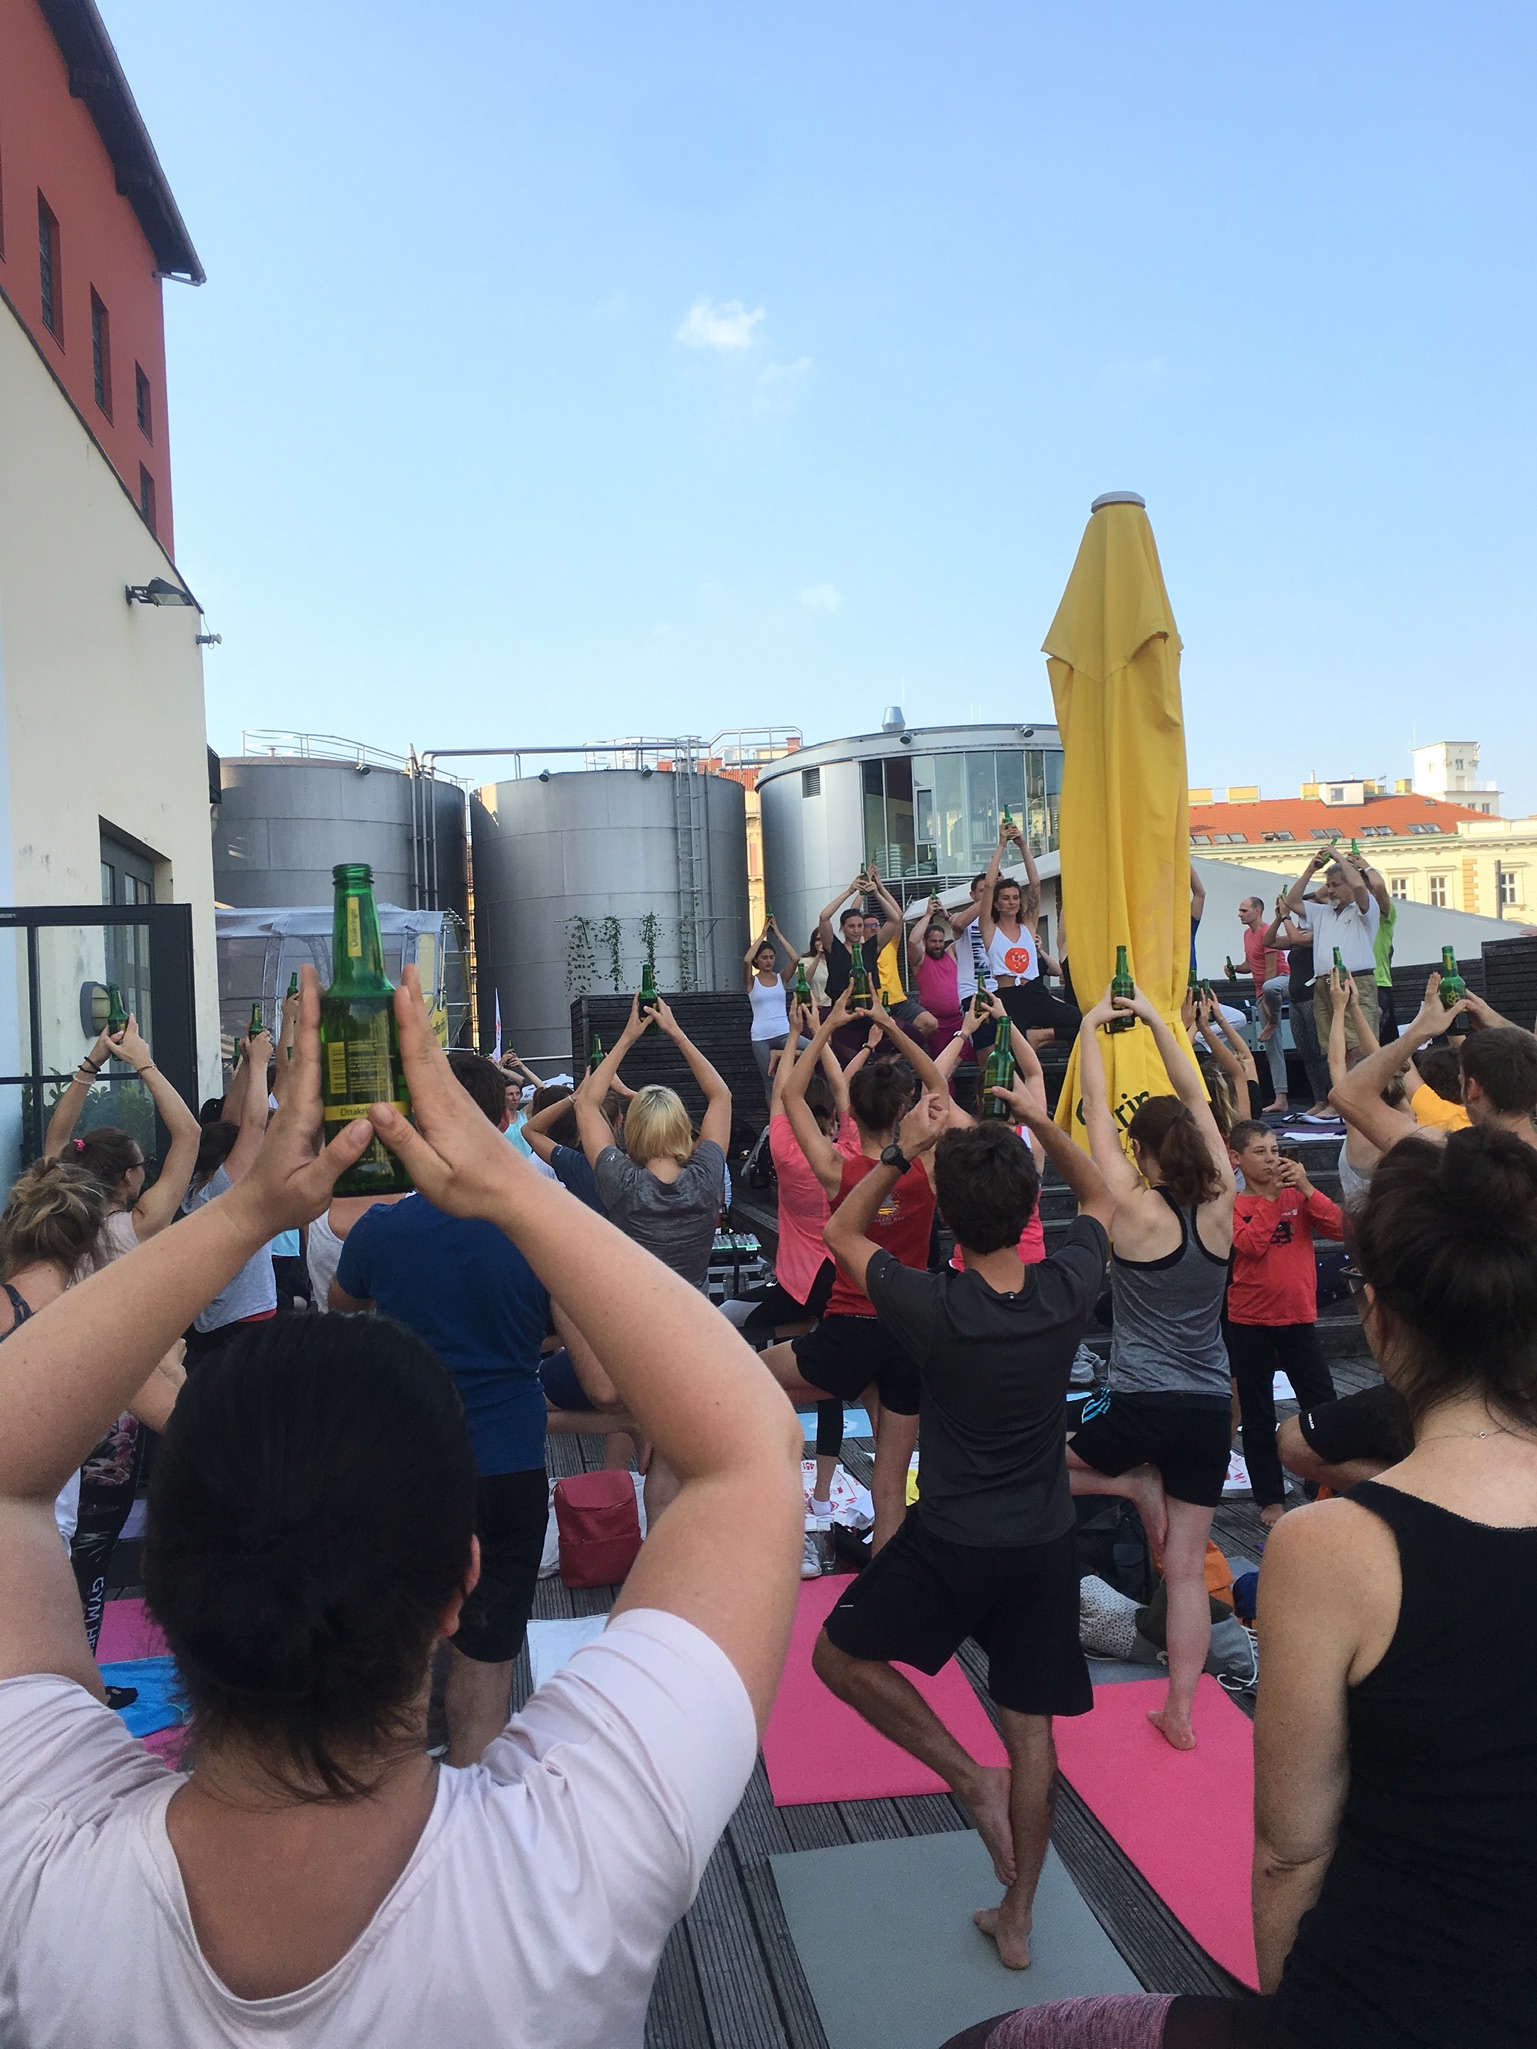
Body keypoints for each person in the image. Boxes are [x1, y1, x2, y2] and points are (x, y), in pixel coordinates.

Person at [0, 964, 802, 2047]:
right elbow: (748, 1451)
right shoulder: (580, 1865)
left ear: (166, 1594)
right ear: (452, 1586)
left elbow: (7, 1470)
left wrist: (246, 1212)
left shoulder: (38, 1873)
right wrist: (514, 1181)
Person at [948, 1124, 1537, 2048]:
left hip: (1385, 2008)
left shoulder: (1334, 1546)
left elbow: (1290, 1853)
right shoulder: (1220, 1215)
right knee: (1187, 1565)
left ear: (1375, 1317)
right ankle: (1181, 1699)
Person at [814, 1082, 1114, 1971]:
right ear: (1029, 1208)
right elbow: (1096, 1196)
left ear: (944, 1208)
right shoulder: (1066, 1285)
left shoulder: (932, 1305)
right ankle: (1017, 1916)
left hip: (949, 1539)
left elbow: (840, 1235)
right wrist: (1040, 1118)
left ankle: (964, 1775)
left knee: (837, 1655)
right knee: (1031, 1736)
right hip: (1040, 1543)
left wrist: (904, 1150)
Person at [332, 1051, 566, 1765]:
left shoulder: (382, 1227)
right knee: (488, 1653)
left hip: (412, 1459)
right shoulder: (542, 1223)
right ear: (504, 1118)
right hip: (511, 1460)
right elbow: (579, 1344)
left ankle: (399, 1819)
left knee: (401, 1648)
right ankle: (472, 1810)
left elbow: (345, 1301)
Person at [1064, 983, 1237, 1751]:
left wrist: (1095, 1025)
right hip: (1206, 1407)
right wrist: (1168, 1029)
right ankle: (1181, 1711)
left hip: (1138, 1400)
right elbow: (1196, 1095)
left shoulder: (1131, 1206)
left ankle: (1126, 1481)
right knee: (1181, 1569)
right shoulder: (1225, 1198)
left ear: (1140, 1152)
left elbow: (1094, 1113)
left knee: (1022, 1458)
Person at [758, 990, 947, 1558]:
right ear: (902, 1112)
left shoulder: (839, 1168)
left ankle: (764, 1510)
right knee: (889, 1488)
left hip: (849, 1331)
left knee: (745, 1378)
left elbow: (791, 1092)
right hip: (907, 1336)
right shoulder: (927, 1163)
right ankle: (885, 1599)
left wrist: (822, 1029)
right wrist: (890, 1022)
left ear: (852, 1115)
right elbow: (936, 1084)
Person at [579, 995, 731, 1523]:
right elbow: (721, 1093)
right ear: (682, 1129)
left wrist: (626, 1037)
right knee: (677, 1463)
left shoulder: (622, 1183)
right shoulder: (707, 1176)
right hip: (695, 1332)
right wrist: (675, 1032)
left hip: (634, 1340)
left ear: (634, 1132)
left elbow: (585, 1104)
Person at [1225, 1121, 1343, 1527]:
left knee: (1323, 1405)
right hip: (1248, 1318)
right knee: (1257, 1414)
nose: (1272, 1158)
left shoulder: (1298, 1194)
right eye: (1260, 1151)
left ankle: (1324, 1484)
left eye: (1274, 1149)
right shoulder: (1232, 1203)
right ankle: (1270, 1498)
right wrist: (1273, 1198)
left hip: (1297, 1316)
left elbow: (1341, 1228)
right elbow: (1250, 1246)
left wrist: (1308, 1190)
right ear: (1235, 1158)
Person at [43, 1009, 202, 1252]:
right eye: (143, 1164)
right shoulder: (138, 1228)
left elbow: (56, 1136)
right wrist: (143, 1061)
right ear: (128, 1175)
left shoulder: (60, 1214)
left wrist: (94, 1060)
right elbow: (189, 1133)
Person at [1332, 975, 1537, 1160]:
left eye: (1461, 1077)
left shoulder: (1448, 1153)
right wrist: (1500, 1024)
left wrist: (1422, 1030)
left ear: (1472, 1089)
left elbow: (1348, 1094)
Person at [179, 1030, 280, 1357]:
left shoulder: (197, 1186)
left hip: (211, 1316)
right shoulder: (225, 1186)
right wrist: (262, 1064)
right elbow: (252, 1124)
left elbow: (230, 1120)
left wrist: (247, 1065)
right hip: (244, 1315)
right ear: (227, 1160)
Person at [977, 822, 1080, 1045]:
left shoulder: (1028, 926)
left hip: (1035, 991)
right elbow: (987, 888)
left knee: (1084, 1022)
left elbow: (1034, 884)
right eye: (1006, 898)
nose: (1012, 902)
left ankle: (1042, 1035)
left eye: (1015, 898)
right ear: (997, 904)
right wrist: (1001, 845)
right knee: (1015, 1058)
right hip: (1008, 998)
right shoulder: (989, 930)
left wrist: (1023, 844)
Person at [1324, 966, 1414, 1209]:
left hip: (1364, 1229)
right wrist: (1354, 1007)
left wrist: (1340, 1008)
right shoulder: (1405, 1115)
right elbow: (1380, 1058)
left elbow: (1336, 1060)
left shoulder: (1358, 1119)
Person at [1282, 844, 1381, 1058]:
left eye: (1335, 884)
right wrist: (1311, 869)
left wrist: (1338, 857)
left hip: (1355, 982)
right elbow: (1291, 902)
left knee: (1359, 1046)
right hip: (1323, 984)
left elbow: (1360, 887)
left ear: (1348, 885)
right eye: (1328, 885)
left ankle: (1361, 1089)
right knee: (1332, 1048)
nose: (1330, 890)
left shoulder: (1364, 909)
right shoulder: (1322, 913)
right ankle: (1339, 1087)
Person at [861, 869, 938, 1042]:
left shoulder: (889, 944)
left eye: (876, 924)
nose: (874, 927)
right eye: (869, 925)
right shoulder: (858, 950)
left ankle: (893, 1057)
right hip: (876, 1006)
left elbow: (898, 916)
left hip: (900, 1001)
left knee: (930, 1023)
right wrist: (860, 888)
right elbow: (852, 914)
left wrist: (879, 886)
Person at [1273, 895, 1333, 1118]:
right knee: (1306, 1052)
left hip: (1313, 997)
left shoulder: (1319, 934)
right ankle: (1319, 1098)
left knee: (1320, 1052)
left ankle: (1331, 1098)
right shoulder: (1297, 932)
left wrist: (1286, 915)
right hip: (1296, 999)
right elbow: (1269, 941)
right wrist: (1279, 918)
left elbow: (1297, 939)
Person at [1237, 895, 1290, 1115]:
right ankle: (1281, 1098)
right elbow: (1250, 964)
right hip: (1264, 989)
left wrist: (1268, 1009)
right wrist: (1235, 969)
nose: (1240, 914)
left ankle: (1274, 1019)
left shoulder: (1267, 931)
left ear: (1257, 910)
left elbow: (1270, 971)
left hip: (1282, 982)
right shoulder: (1247, 934)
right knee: (1272, 1047)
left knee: (1270, 987)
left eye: (1244, 910)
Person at [742, 915, 806, 1092]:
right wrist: (762, 934)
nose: (768, 961)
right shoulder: (751, 982)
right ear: (758, 960)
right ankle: (774, 1119)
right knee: (769, 1082)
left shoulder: (781, 978)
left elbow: (794, 959)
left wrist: (777, 933)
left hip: (784, 1032)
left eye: (771, 957)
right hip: (761, 1036)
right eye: (764, 958)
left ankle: (779, 1054)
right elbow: (746, 961)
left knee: (813, 1049)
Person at [908, 898, 966, 1062]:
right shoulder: (919, 960)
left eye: (941, 941)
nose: (938, 945)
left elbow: (963, 933)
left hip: (959, 1020)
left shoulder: (951, 953)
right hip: (936, 1024)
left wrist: (946, 915)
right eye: (933, 941)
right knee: (941, 1066)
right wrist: (928, 915)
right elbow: (913, 941)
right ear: (925, 942)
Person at [798, 927, 830, 1011]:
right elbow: (805, 981)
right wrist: (818, 956)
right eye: (818, 939)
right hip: (816, 1008)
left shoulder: (836, 960)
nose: (822, 942)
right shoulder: (806, 961)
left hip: (834, 1007)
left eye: (825, 938)